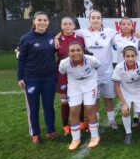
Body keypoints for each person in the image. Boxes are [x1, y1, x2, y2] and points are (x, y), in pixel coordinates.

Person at [73, 10, 119, 129]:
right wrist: (57, 37)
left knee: (108, 98)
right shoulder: (83, 32)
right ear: (89, 20)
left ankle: (112, 120)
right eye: (93, 17)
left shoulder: (110, 32)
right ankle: (96, 122)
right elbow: (67, 32)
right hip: (91, 74)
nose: (95, 20)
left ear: (102, 19)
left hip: (107, 72)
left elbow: (124, 36)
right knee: (95, 99)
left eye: (98, 17)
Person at [17, 11, 58, 144]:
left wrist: (57, 37)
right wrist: (20, 77)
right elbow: (21, 59)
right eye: (39, 20)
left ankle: (50, 131)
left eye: (45, 20)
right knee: (33, 107)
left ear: (48, 22)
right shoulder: (26, 38)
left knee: (49, 106)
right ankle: (35, 133)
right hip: (31, 78)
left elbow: (64, 36)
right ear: (34, 22)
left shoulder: (51, 36)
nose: (42, 22)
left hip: (50, 78)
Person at [59, 42, 101, 150]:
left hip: (90, 84)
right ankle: (75, 138)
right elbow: (62, 72)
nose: (75, 53)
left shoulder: (91, 60)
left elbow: (97, 66)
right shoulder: (64, 63)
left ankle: (95, 136)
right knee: (73, 110)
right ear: (68, 53)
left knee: (89, 108)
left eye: (78, 50)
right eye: (72, 51)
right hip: (74, 86)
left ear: (82, 51)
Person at [112, 46, 140, 144]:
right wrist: (123, 103)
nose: (130, 58)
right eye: (127, 56)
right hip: (125, 93)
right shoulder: (119, 67)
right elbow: (116, 86)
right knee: (125, 111)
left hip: (139, 92)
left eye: (132, 56)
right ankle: (128, 133)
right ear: (123, 57)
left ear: (136, 56)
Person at [56, 17, 86, 135]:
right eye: (65, 24)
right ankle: (66, 125)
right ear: (61, 26)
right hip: (63, 75)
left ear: (74, 26)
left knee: (81, 99)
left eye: (70, 24)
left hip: (79, 74)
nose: (67, 26)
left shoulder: (80, 38)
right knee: (65, 101)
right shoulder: (57, 40)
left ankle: (81, 122)